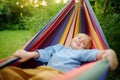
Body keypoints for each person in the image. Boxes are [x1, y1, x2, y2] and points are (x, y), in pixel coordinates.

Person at [0, 33, 118, 80]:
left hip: (57, 75)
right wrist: (29, 54)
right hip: (38, 70)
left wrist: (109, 53)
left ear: (84, 48)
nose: (80, 41)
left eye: (84, 43)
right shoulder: (59, 47)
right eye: (79, 37)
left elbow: (97, 54)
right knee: (7, 72)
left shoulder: (80, 53)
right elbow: (45, 53)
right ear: (72, 38)